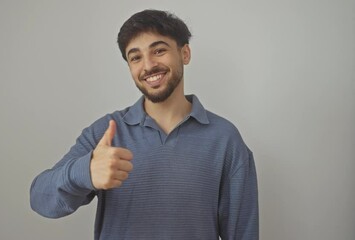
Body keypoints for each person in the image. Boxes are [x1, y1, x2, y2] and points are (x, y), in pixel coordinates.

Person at [30, 9, 259, 240]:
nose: (148, 66)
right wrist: (84, 172)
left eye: (159, 50)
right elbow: (40, 200)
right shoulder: (106, 133)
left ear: (185, 53)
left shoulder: (225, 139)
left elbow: (243, 233)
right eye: (136, 57)